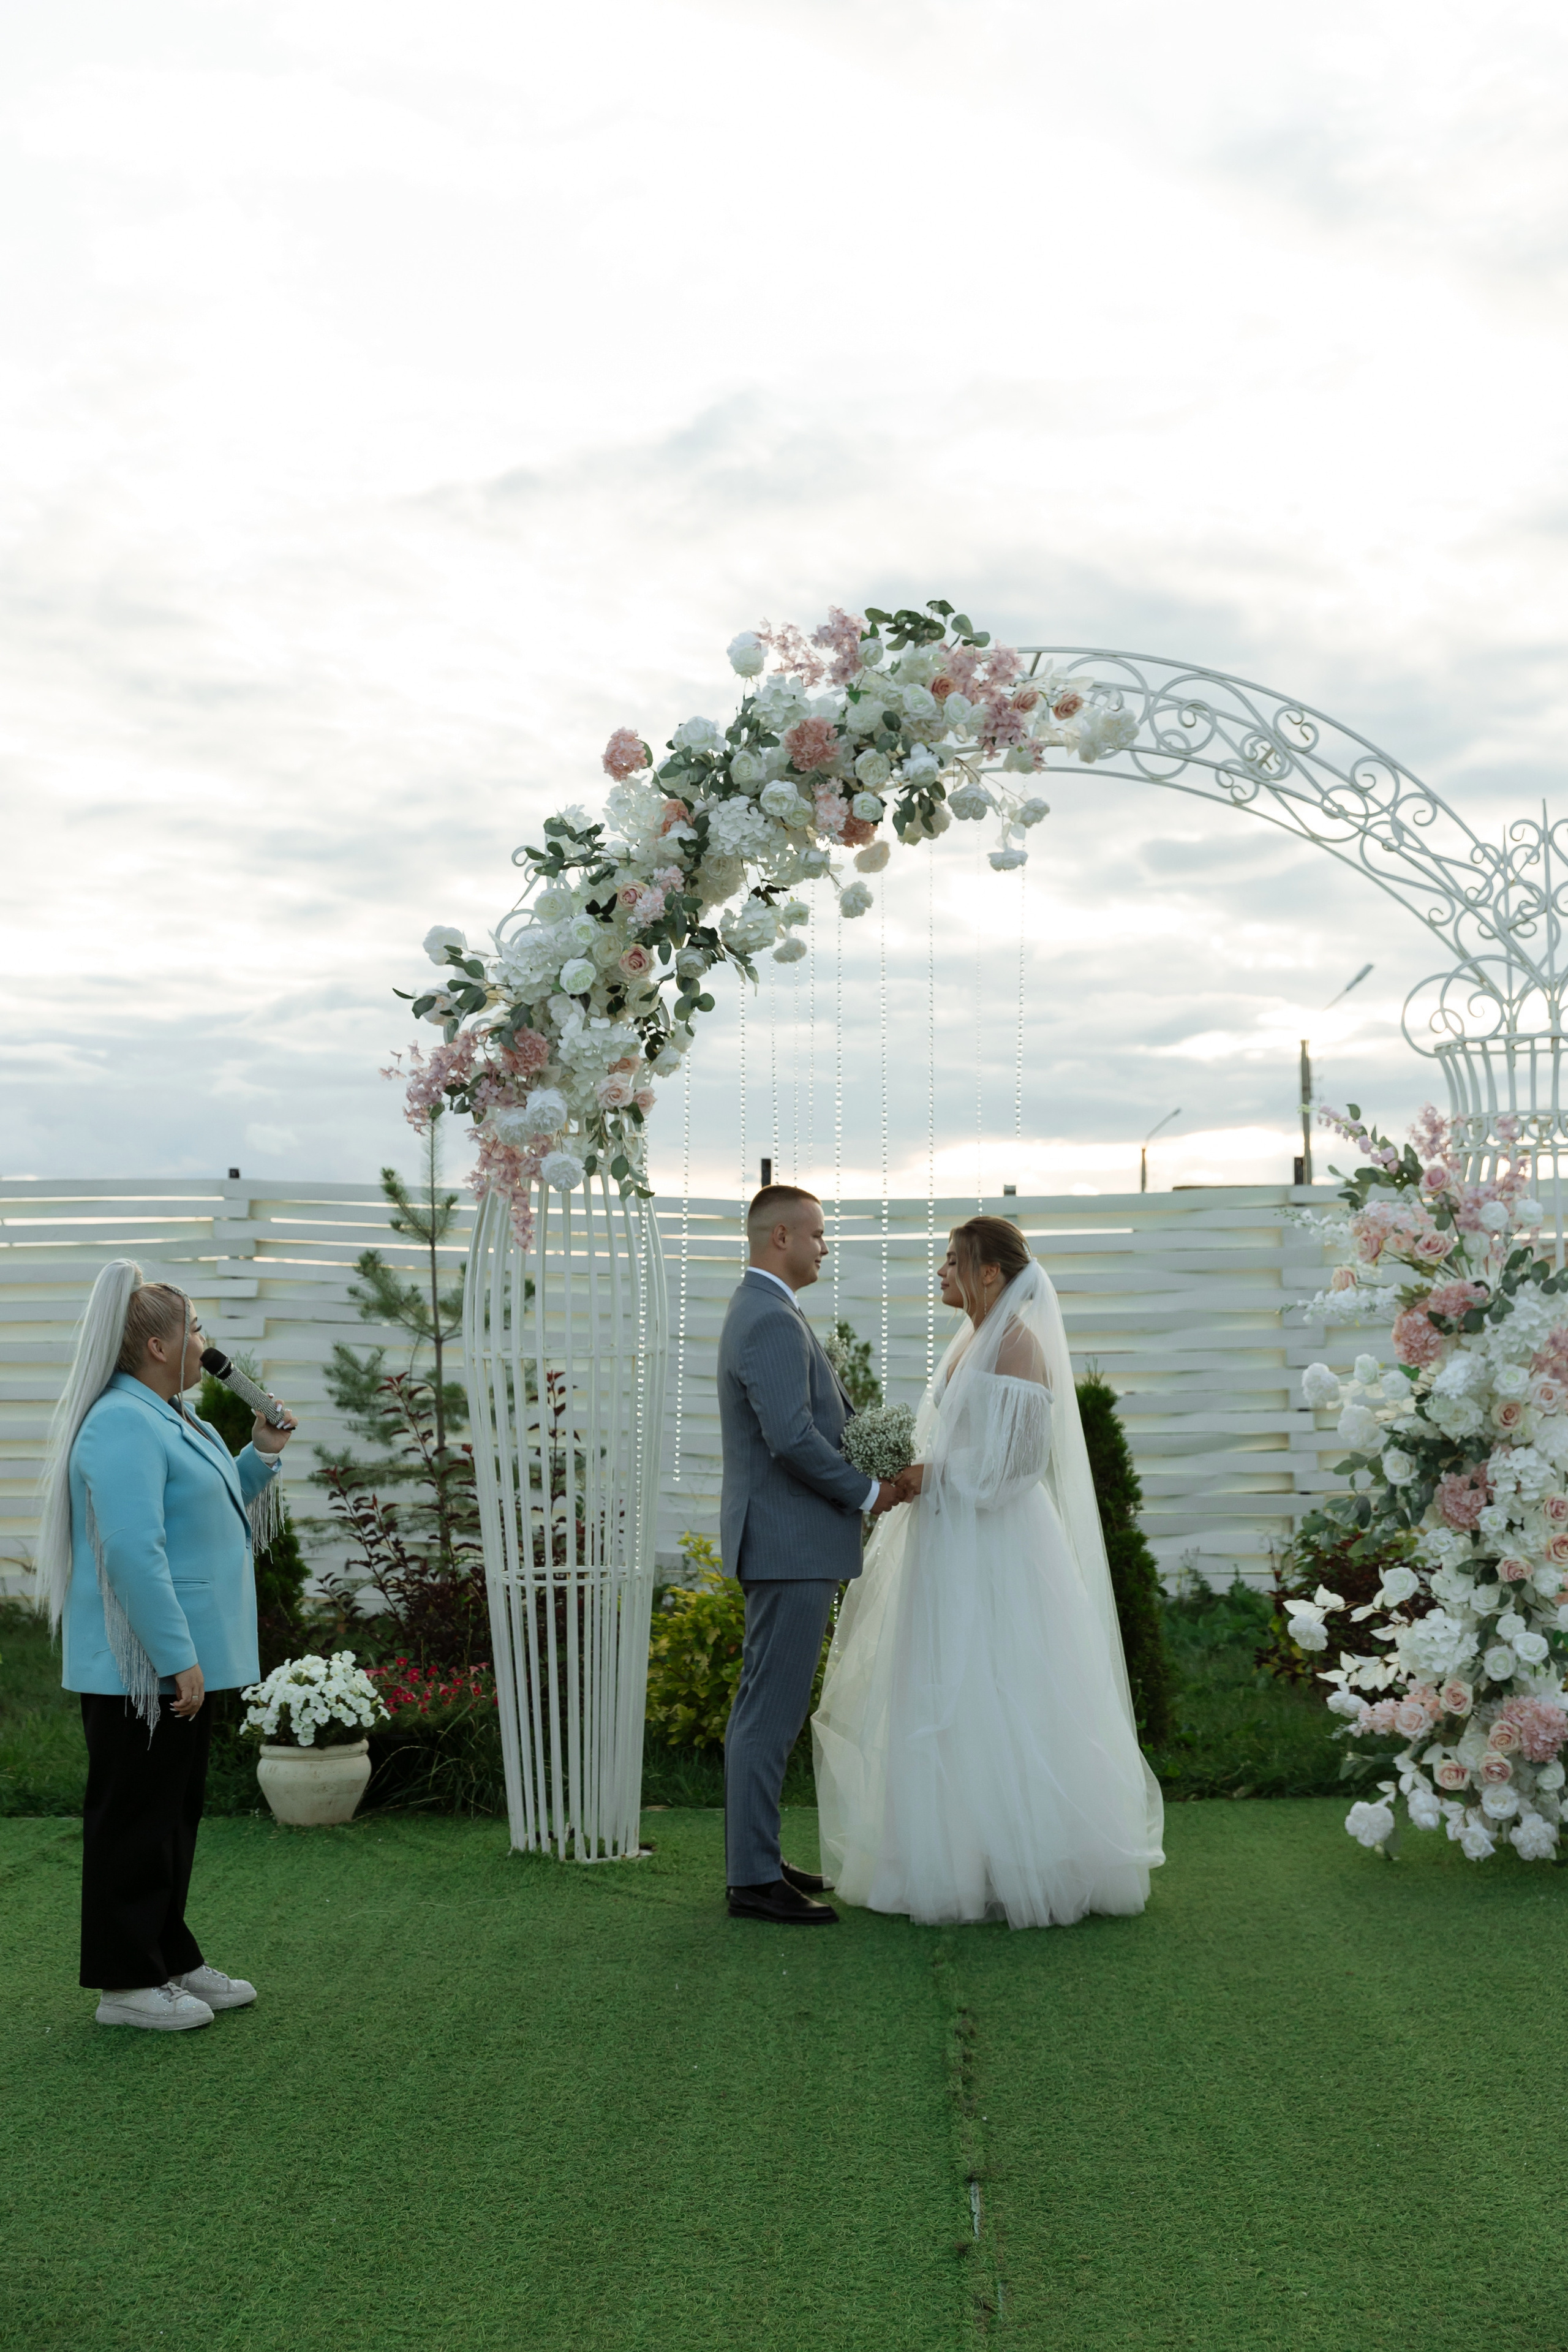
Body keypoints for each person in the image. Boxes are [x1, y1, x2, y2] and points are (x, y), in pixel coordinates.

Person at [813, 1216, 1165, 1929]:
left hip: (999, 1546)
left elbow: (1014, 1468)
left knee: (1003, 1687)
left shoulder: (1017, 1346)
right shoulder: (971, 1338)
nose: (940, 1272)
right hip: (948, 1540)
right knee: (942, 1691)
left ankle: (1027, 1862)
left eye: (952, 1261)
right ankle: (950, 1859)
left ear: (990, 1274)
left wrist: (928, 1477)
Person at [36, 1259, 297, 2029]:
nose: (205, 1343)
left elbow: (212, 1512)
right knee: (135, 1817)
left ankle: (168, 1957)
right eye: (195, 1329)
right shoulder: (120, 1420)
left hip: (177, 1659)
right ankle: (126, 1984)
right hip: (138, 1668)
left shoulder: (183, 1418)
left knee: (173, 1813)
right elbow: (132, 1549)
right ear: (156, 1345)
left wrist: (264, 1453)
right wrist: (176, 1656)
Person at [716, 1185, 899, 1925]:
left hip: (787, 1542)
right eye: (819, 1234)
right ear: (781, 1236)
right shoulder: (765, 1316)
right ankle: (753, 1881)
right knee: (771, 1710)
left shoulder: (765, 1309)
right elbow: (789, 1437)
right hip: (790, 1543)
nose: (826, 1246)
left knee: (763, 1705)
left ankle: (754, 1859)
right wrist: (866, 1491)